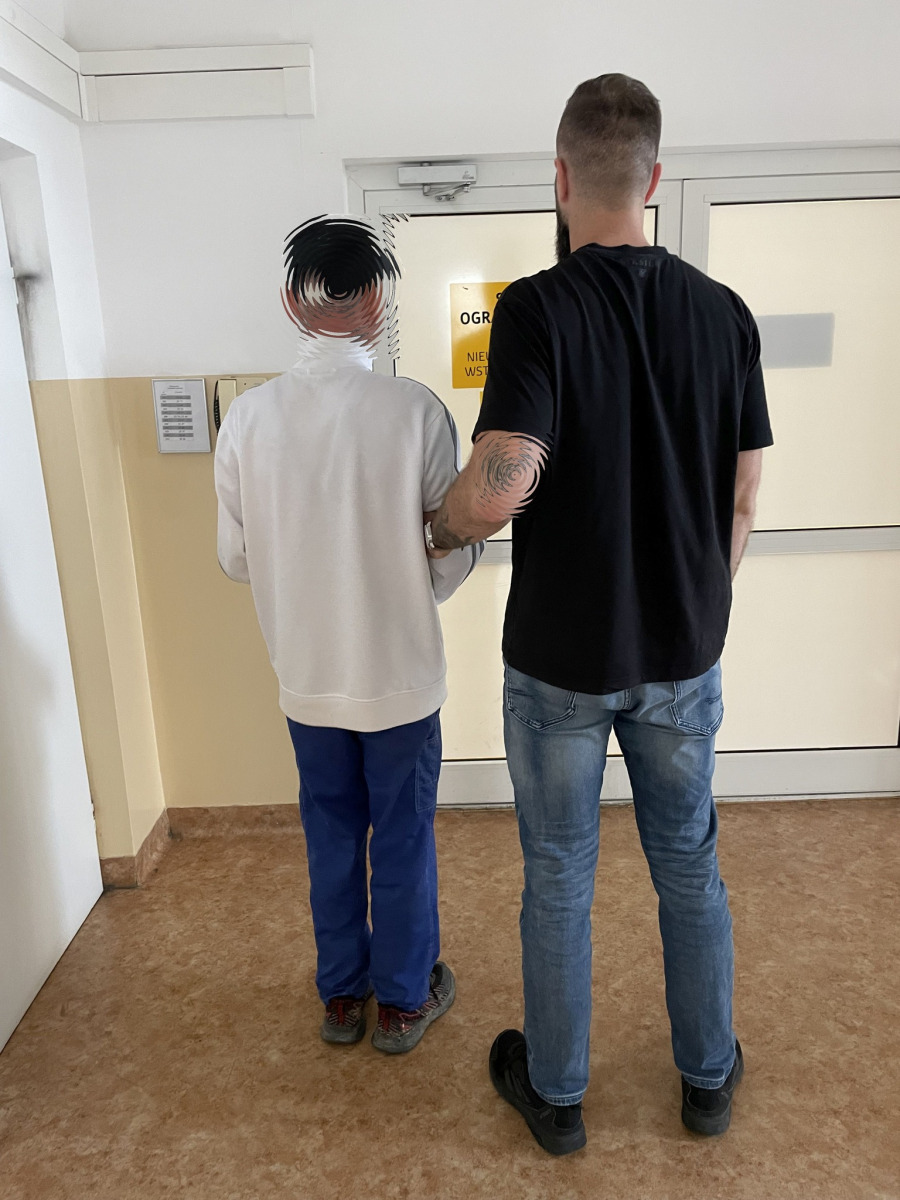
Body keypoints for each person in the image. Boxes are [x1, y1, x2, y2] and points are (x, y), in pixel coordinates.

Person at [426, 74, 772, 1153]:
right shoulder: (723, 314)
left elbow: (501, 483)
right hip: (682, 655)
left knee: (560, 876)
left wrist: (439, 526)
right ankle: (707, 1081)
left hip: (560, 663)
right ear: (654, 179)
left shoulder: (538, 307)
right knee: (689, 866)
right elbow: (744, 497)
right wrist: (702, 602)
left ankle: (560, 1097)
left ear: (562, 178)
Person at [216, 215, 481, 1054]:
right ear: (376, 303)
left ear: (290, 301)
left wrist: (304, 579)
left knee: (330, 834)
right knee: (403, 836)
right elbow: (450, 551)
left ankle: (341, 997)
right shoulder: (414, 411)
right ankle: (402, 1002)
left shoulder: (247, 419)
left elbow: (234, 559)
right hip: (400, 678)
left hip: (308, 680)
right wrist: (404, 583)